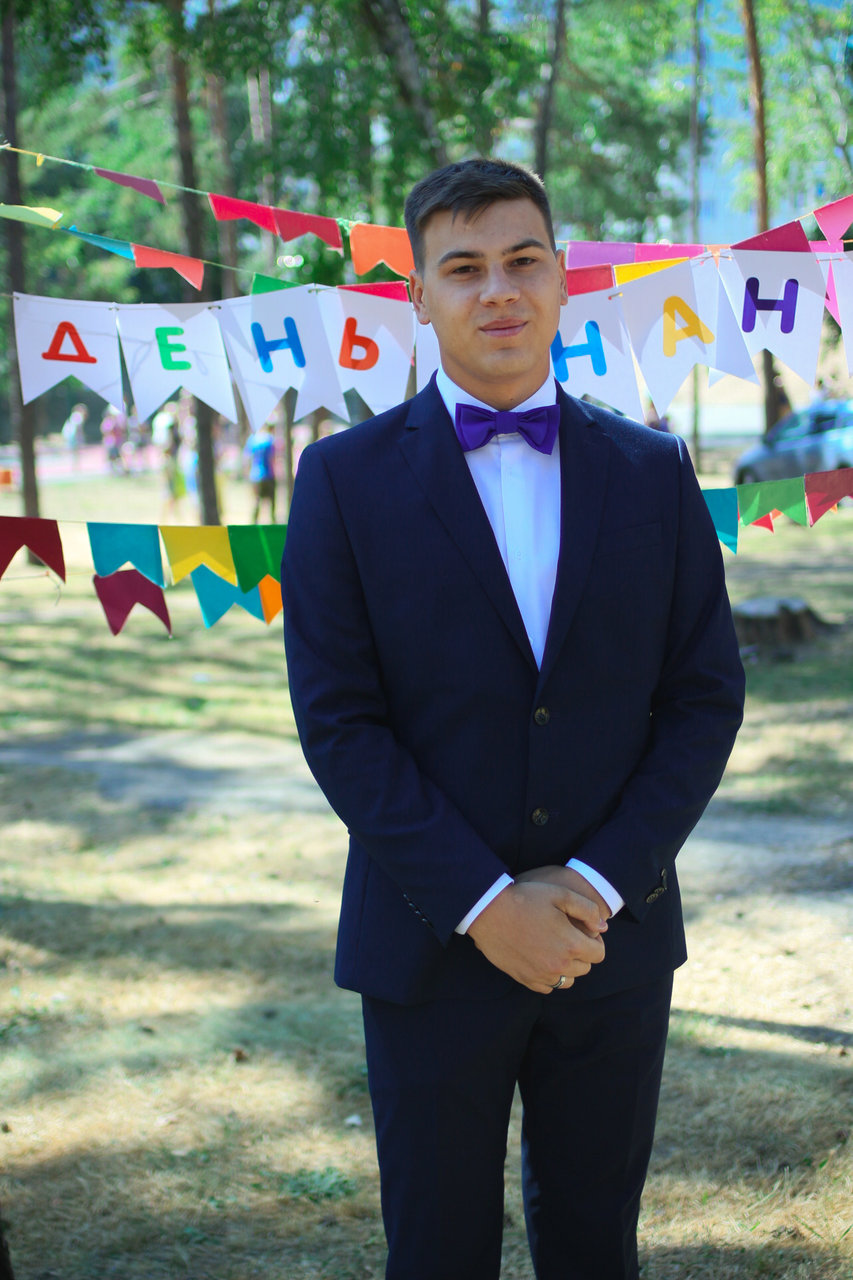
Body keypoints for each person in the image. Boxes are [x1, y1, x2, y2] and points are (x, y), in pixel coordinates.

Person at [281, 158, 745, 1280]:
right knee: (436, 1247)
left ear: (561, 277)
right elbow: (340, 722)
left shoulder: (651, 469)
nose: (498, 290)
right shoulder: (341, 479)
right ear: (417, 295)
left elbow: (702, 696)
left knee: (595, 1242)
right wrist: (486, 905)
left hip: (610, 940)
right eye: (464, 268)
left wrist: (595, 882)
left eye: (522, 260)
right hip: (429, 939)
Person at [243, 421, 277, 522]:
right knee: (271, 501)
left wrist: (247, 472)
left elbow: (247, 458)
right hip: (268, 474)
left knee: (256, 500)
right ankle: (273, 521)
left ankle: (253, 522)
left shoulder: (252, 439)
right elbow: (272, 458)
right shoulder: (270, 439)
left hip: (255, 475)